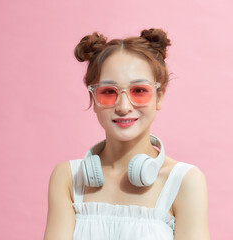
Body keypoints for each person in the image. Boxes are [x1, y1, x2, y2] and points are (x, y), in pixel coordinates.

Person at [44, 28, 210, 240]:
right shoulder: (68, 178)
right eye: (108, 92)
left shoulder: (185, 181)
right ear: (93, 99)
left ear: (159, 96)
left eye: (139, 91)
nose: (123, 106)